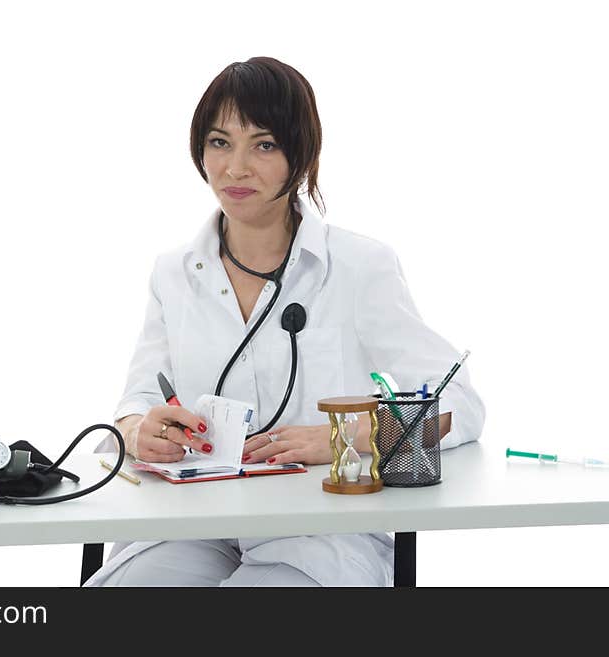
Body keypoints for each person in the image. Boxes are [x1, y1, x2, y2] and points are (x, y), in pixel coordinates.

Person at [87, 56, 485, 586]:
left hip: (320, 534)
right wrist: (139, 431)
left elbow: (461, 406)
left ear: (300, 154)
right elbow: (137, 400)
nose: (236, 168)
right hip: (189, 527)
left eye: (265, 144)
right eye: (219, 142)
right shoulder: (173, 274)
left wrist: (347, 436)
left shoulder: (358, 267)